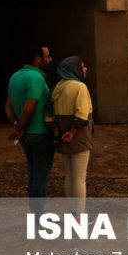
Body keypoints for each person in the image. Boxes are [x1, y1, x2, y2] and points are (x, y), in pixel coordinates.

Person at [5, 45, 54, 214]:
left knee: (33, 171)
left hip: (26, 136)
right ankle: (39, 215)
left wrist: (16, 127)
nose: (50, 59)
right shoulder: (35, 78)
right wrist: (20, 127)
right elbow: (28, 108)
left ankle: (35, 212)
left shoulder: (15, 77)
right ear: (37, 59)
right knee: (41, 174)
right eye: (47, 56)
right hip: (39, 133)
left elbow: (8, 106)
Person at [47, 56, 94, 216]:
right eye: (82, 66)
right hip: (77, 136)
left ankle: (71, 213)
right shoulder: (80, 87)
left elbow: (48, 115)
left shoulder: (57, 88)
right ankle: (79, 217)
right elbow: (82, 115)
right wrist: (72, 132)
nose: (85, 69)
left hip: (61, 135)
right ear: (74, 70)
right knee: (80, 177)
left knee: (70, 176)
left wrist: (57, 132)